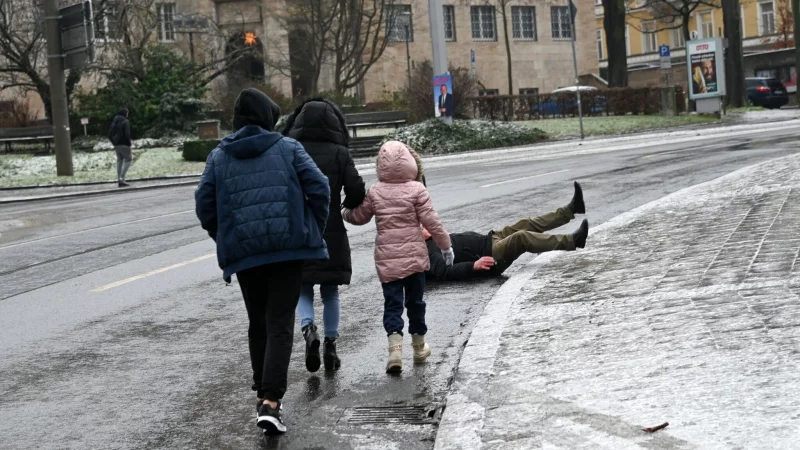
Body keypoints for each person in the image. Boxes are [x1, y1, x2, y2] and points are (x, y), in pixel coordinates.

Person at [195, 88, 330, 436]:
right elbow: (320, 188)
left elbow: (204, 205)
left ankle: (263, 393)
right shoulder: (288, 148)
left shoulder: (218, 157)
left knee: (258, 321)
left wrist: (226, 235)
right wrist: (310, 227)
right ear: (268, 118)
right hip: (288, 251)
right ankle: (270, 401)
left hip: (247, 256)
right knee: (280, 322)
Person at [342, 141, 454, 374]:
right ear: (411, 163)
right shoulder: (417, 190)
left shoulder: (375, 191)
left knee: (392, 304)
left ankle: (394, 351)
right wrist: (445, 246)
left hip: (387, 260)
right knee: (416, 302)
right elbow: (432, 221)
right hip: (414, 259)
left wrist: (343, 212)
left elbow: (360, 217)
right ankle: (419, 347)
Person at [282, 98, 366, 373]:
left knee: (301, 287)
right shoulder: (340, 153)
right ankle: (330, 344)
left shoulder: (291, 150)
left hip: (299, 231)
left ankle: (308, 330)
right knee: (330, 292)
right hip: (331, 231)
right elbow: (356, 189)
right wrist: (345, 205)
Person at [425, 182, 589, 281]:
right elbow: (445, 272)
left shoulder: (435, 238)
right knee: (521, 238)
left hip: (491, 239)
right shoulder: (428, 251)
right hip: (491, 256)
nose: (425, 225)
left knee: (526, 223)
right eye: (421, 227)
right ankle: (573, 240)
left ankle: (572, 209)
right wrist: (473, 266)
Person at [108, 109, 132, 187]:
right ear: (124, 114)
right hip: (124, 144)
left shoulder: (114, 122)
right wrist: (129, 143)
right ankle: (122, 178)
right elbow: (127, 134)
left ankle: (119, 179)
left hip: (116, 145)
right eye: (127, 113)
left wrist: (114, 142)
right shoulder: (125, 122)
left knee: (119, 161)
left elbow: (109, 134)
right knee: (128, 159)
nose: (127, 115)